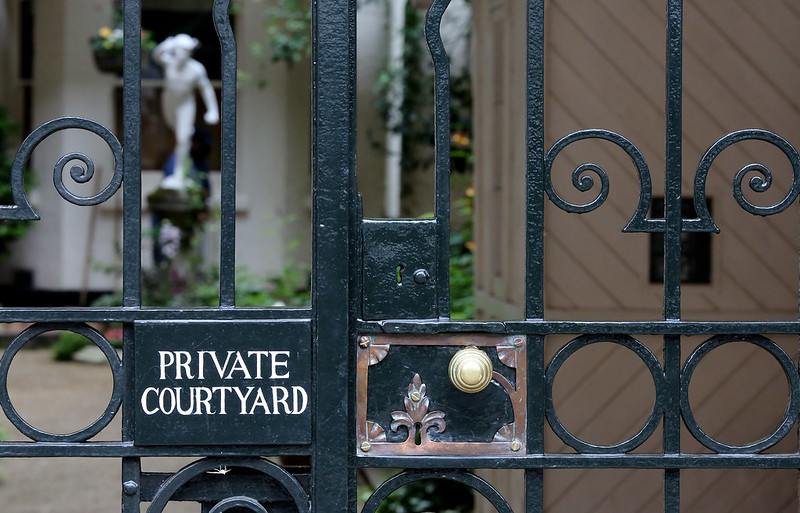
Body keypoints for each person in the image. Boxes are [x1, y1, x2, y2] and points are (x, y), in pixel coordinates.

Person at [152, 34, 219, 190]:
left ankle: (179, 175)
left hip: (185, 103)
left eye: (186, 51)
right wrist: (168, 44)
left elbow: (206, 89)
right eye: (179, 50)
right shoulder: (169, 62)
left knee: (184, 137)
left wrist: (212, 110)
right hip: (169, 101)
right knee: (174, 132)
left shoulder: (196, 69)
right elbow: (156, 55)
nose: (182, 54)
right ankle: (178, 170)